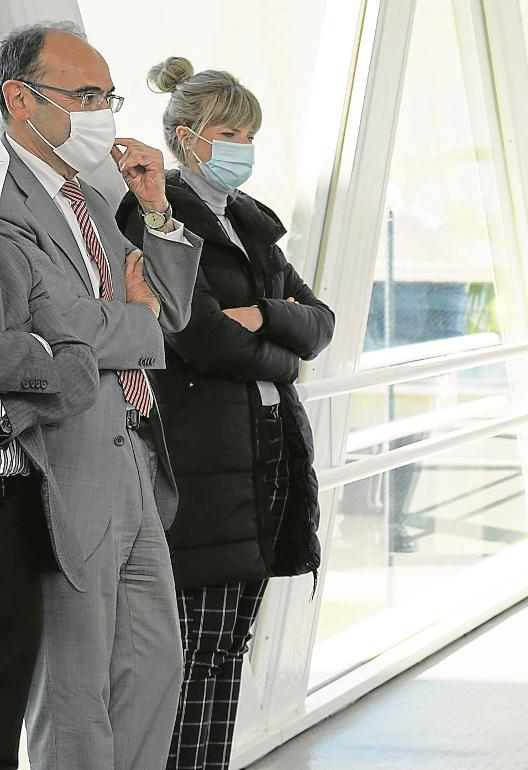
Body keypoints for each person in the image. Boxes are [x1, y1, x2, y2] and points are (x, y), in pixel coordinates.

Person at [116, 57, 334, 770]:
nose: (243, 145)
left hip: (263, 465)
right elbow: (199, 338)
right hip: (203, 468)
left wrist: (265, 315)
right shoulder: (154, 216)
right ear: (184, 136)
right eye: (229, 131)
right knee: (191, 659)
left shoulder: (250, 224)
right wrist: (284, 348)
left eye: (249, 132)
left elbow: (319, 320)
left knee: (224, 656)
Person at [0, 21, 203, 770]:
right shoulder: (9, 208)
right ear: (19, 99)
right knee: (75, 704)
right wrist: (131, 314)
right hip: (68, 474)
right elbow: (67, 330)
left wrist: (154, 213)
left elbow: (169, 314)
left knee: (154, 675)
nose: (102, 112)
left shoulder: (88, 197)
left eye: (107, 95)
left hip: (138, 467)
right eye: (83, 95)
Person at [0, 208, 99, 770]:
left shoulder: (12, 250)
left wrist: (8, 416)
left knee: (7, 704)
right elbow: (53, 355)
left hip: (15, 510)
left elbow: (80, 363)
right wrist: (34, 348)